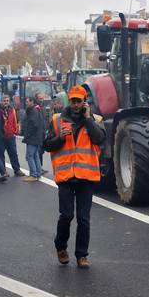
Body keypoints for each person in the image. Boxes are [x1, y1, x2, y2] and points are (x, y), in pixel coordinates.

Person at [44, 85, 105, 269]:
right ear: (69, 101)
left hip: (86, 178)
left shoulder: (95, 119)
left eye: (79, 101)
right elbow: (46, 145)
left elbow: (100, 139)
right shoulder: (57, 120)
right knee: (67, 215)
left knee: (84, 219)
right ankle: (61, 247)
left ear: (85, 101)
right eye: (73, 100)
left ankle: (82, 255)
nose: (76, 104)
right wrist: (60, 138)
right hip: (66, 177)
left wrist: (88, 120)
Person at [0, 94, 25, 177]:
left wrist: (14, 131)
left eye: (7, 101)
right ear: (1, 101)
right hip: (1, 137)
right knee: (1, 155)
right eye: (4, 101)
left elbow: (15, 120)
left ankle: (17, 170)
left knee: (13, 153)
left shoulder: (12, 110)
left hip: (10, 136)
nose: (6, 102)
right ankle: (4, 172)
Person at [22, 97, 44, 182]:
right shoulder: (36, 110)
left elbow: (33, 125)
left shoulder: (33, 111)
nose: (26, 103)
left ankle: (33, 175)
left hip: (33, 138)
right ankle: (38, 174)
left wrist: (27, 135)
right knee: (36, 156)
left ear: (32, 102)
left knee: (29, 156)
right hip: (37, 137)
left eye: (28, 101)